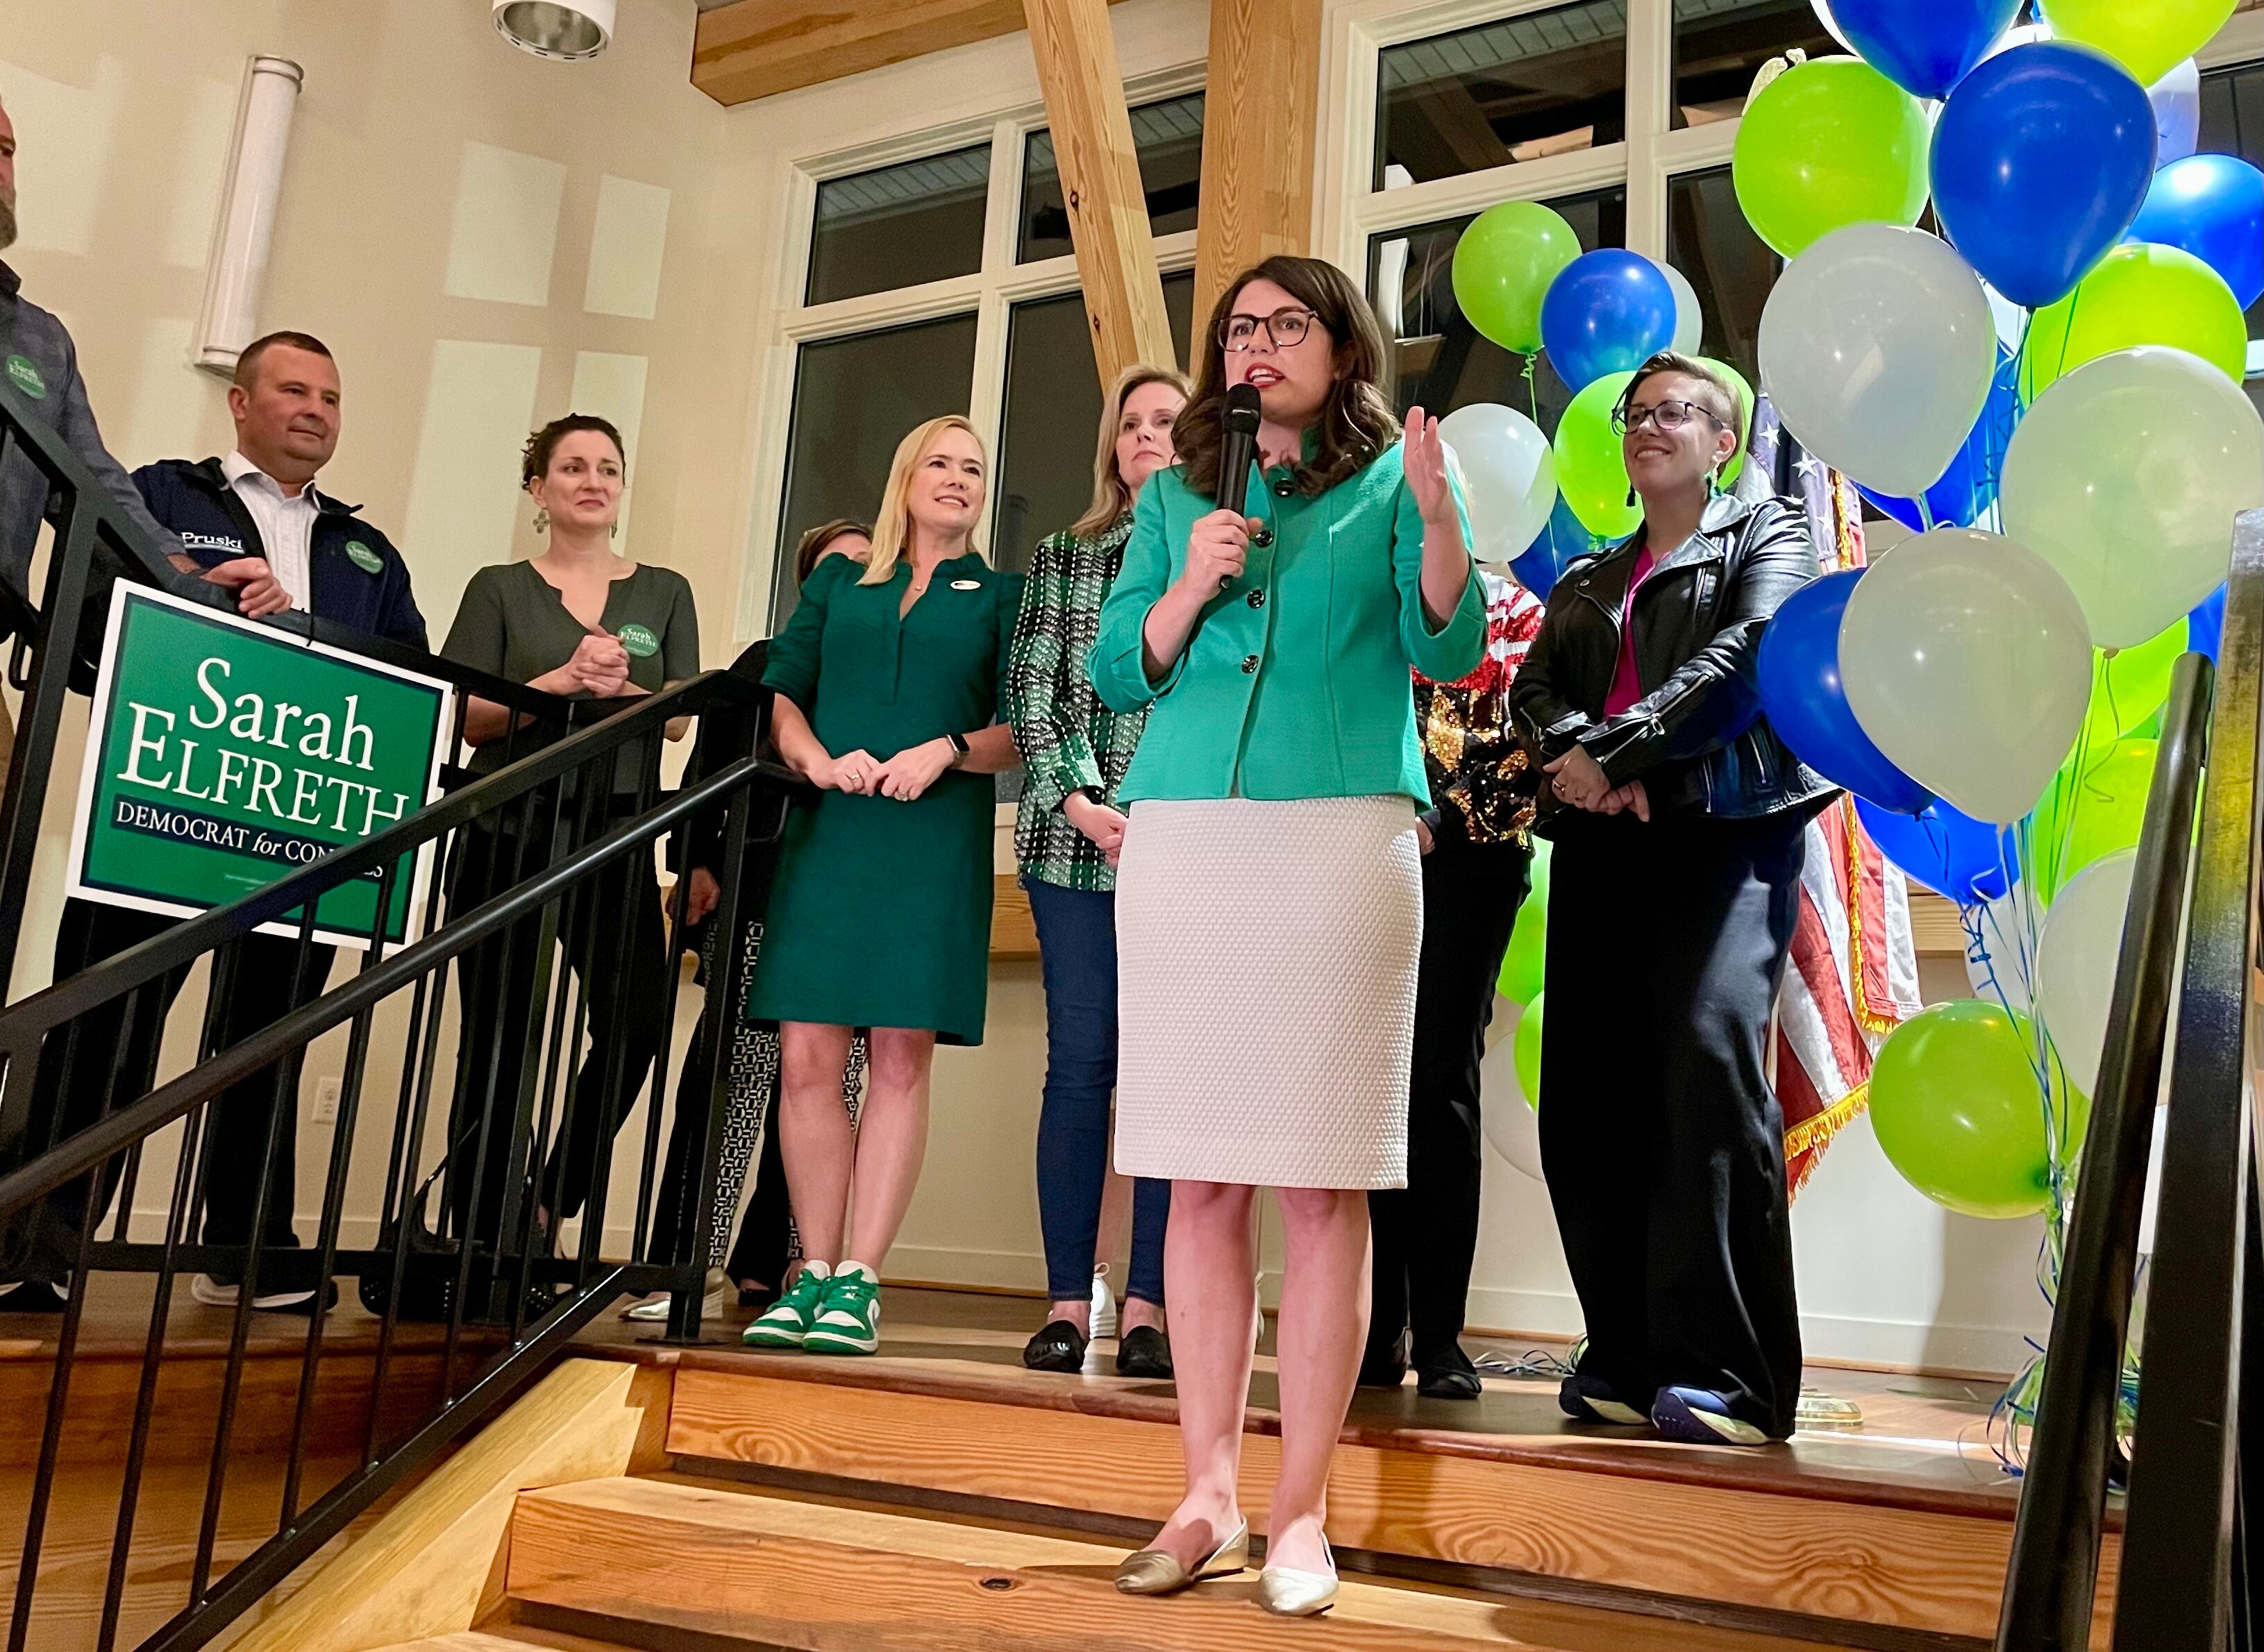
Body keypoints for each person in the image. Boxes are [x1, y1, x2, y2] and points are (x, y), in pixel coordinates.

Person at [1091, 255, 1484, 1616]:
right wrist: (1188, 580)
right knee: (1194, 1178)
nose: (1258, 344)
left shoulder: (1390, 479)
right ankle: (1201, 1490)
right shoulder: (1171, 491)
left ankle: (1299, 1508)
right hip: (1190, 836)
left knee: (1321, 1181)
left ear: (1339, 344)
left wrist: (1438, 520)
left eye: (1285, 324)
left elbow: (1447, 648)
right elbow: (1111, 669)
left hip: (1338, 839)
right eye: (1239, 328)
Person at [1, 326, 429, 1317]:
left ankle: (245, 1248)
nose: (315, 408)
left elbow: (409, 671)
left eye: (329, 395)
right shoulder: (160, 494)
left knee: (267, 1041)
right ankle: (35, 1241)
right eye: (292, 389)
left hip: (303, 830)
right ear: (240, 403)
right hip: (166, 808)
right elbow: (97, 598)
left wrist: (314, 631)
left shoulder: (366, 550)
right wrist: (199, 593)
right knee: (104, 1027)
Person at [1507, 351, 1831, 1448]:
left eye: (1676, 412)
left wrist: (1625, 755)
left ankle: (1730, 1375)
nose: (1649, 426)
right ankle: (1627, 1353)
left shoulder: (1766, 533)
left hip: (1723, 832)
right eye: (1636, 414)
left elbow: (1749, 657)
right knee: (1588, 1094)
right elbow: (1532, 687)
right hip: (1602, 842)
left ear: (1723, 439)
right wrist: (1583, 762)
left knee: (1703, 1071)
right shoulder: (1589, 575)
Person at [741, 416, 1021, 1358]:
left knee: (900, 1061)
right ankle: (808, 1272)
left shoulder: (1002, 594)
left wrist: (946, 749)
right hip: (833, 835)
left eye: (972, 469)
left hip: (930, 843)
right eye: (939, 463)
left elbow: (1019, 730)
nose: (956, 479)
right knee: (810, 1062)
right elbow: (784, 692)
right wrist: (815, 760)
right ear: (904, 479)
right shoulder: (837, 583)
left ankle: (860, 1278)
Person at [440, 413, 699, 1266]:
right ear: (539, 488)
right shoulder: (498, 587)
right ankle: (481, 1232)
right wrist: (554, 684)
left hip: (613, 833)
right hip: (507, 828)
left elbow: (676, 719)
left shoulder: (664, 590)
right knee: (501, 1036)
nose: (593, 480)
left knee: (638, 1024)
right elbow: (467, 720)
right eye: (573, 467)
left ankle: (549, 1200)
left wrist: (625, 687)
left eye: (608, 468)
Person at [632, 519, 874, 1326]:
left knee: (828, 1087)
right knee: (730, 1077)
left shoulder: (889, 660)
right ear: (808, 584)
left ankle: (778, 1259)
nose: (850, 581)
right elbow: (709, 771)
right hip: (762, 884)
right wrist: (692, 861)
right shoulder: (765, 663)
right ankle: (681, 1257)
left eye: (867, 569)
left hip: (847, 899)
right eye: (835, 569)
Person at [1007, 363, 1189, 1381]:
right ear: (1111, 449)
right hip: (1072, 849)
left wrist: (1159, 816)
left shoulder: (1222, 552)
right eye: (1130, 425)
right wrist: (1085, 802)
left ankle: (1153, 1310)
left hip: (1190, 848)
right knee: (1081, 1068)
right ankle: (1068, 1305)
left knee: (1166, 1081)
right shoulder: (1064, 557)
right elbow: (1036, 688)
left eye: (1166, 420)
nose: (1146, 436)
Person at [1361, 565, 1543, 1399]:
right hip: (1362, 852)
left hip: (1471, 860)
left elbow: (1529, 747)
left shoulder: (1515, 609)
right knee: (1371, 1091)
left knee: (1438, 1079)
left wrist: (1431, 819)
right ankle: (1378, 1324)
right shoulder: (1370, 598)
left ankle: (1440, 1337)